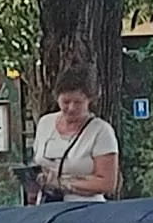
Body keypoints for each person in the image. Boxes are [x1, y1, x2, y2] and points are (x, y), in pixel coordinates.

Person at [34, 67, 120, 203]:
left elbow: (107, 183)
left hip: (86, 206)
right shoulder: (45, 123)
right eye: (66, 102)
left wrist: (65, 184)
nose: (71, 108)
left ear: (89, 100)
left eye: (78, 102)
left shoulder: (101, 131)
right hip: (48, 204)